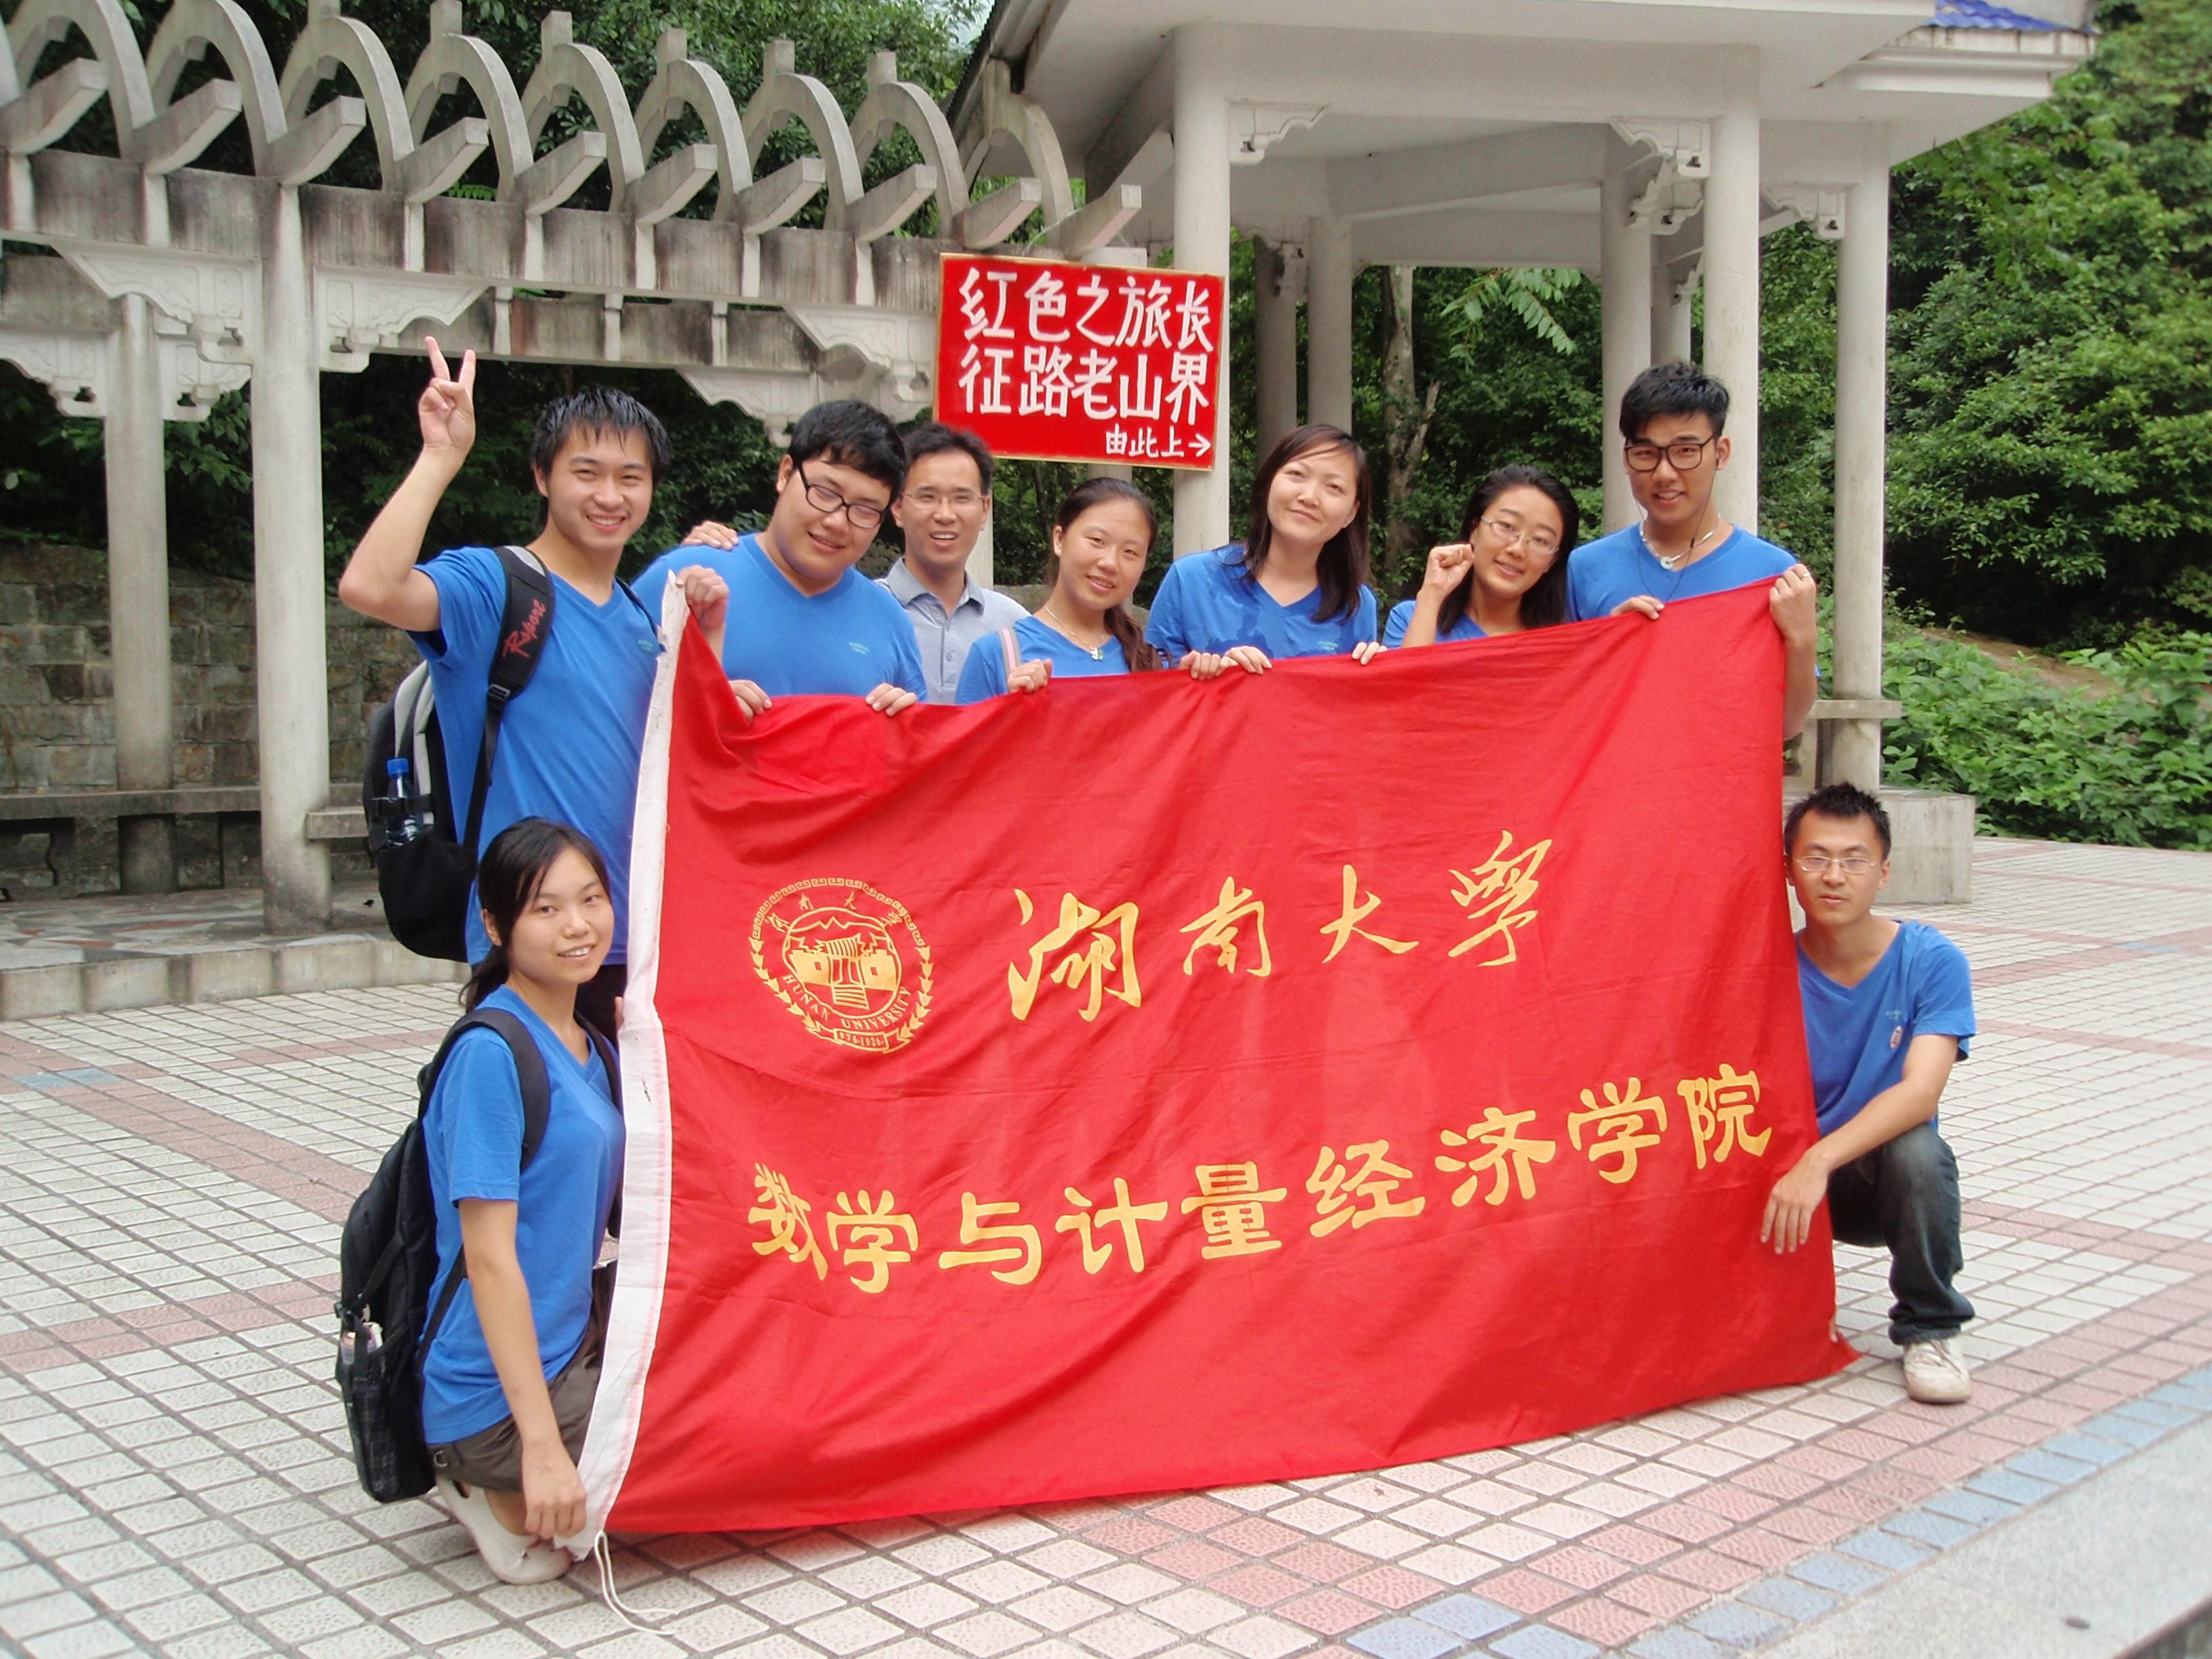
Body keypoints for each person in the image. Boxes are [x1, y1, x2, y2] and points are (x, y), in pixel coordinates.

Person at [337, 339, 727, 1034]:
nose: (610, 496)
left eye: (631, 477)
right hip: (531, 944)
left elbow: (688, 765)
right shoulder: (497, 588)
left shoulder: (643, 621)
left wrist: (712, 645)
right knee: (530, 1099)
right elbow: (370, 586)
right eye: (587, 472)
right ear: (543, 477)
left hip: (636, 946)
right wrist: (440, 457)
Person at [421, 819, 625, 1584]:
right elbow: (489, 1262)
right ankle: (493, 1485)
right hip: (493, 1396)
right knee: (701, 1423)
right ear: (495, 925)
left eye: (591, 899)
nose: (578, 926)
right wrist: (540, 1446)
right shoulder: (491, 1056)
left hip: (570, 1338)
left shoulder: (590, 1044)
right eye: (546, 908)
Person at [1764, 783, 1977, 1405]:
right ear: (1788, 869)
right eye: (1815, 858)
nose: (1834, 877)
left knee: (1919, 1151)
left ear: (1883, 873)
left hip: (1863, 1181)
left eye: (1854, 860)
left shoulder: (1931, 961)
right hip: (1776, 1177)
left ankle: (1931, 1326)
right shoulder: (1765, 965)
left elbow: (1920, 1093)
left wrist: (1819, 1160)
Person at [1565, 361, 1819, 738]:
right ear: (1626, 458)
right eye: (1646, 453)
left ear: (1721, 453)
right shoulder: (1585, 568)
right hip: (1618, 775)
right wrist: (1607, 646)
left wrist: (1802, 640)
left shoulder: (1771, 573)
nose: (1664, 473)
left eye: (1686, 451)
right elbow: (1562, 708)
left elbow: (1785, 725)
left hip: (1722, 775)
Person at [633, 401, 926, 720]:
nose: (837, 522)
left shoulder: (890, 623)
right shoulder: (684, 580)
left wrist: (902, 726)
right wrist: (697, 705)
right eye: (825, 493)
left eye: (865, 510)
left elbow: (920, 742)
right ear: (786, 474)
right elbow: (613, 714)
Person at [1145, 424, 1383, 678]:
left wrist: (1378, 676)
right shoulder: (1191, 580)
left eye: (1334, 487)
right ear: (1269, 481)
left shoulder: (1356, 605)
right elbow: (1150, 688)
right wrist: (1203, 677)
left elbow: (1354, 701)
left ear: (1351, 513)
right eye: (1297, 474)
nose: (1309, 497)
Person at [954, 478, 1163, 702]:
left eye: (1130, 552)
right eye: (1097, 540)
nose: (1110, 563)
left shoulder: (1147, 662)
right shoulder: (996, 655)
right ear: (1059, 539)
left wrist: (1190, 682)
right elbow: (970, 727)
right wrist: (1010, 710)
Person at [880, 424, 1027, 703]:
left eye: (962, 498)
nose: (945, 515)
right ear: (897, 508)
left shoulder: (1014, 625)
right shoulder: (866, 611)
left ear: (984, 510)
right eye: (928, 497)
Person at [1385, 466, 1577, 647]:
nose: (1517, 550)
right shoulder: (1412, 618)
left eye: (1540, 540)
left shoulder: (1562, 646)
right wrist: (1432, 593)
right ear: (1474, 529)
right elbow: (1409, 672)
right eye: (1507, 526)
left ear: (1553, 560)